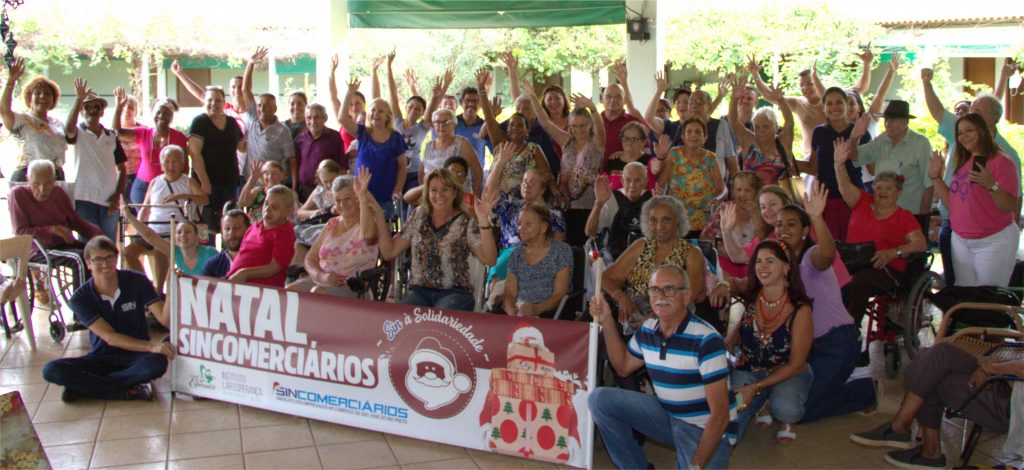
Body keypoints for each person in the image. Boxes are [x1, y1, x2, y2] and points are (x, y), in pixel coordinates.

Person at [589, 265, 735, 470]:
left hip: (704, 428)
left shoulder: (706, 339)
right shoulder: (647, 330)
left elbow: (720, 416)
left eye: (670, 289)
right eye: (654, 289)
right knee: (600, 399)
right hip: (667, 415)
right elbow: (622, 367)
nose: (660, 296)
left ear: (687, 296)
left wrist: (696, 465)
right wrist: (607, 319)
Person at [773, 185, 876, 423]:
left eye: (791, 224)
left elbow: (828, 254)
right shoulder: (782, 264)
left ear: (805, 231)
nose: (783, 229)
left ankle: (866, 390)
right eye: (779, 224)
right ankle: (835, 385)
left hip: (836, 343)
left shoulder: (810, 257)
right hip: (806, 346)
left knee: (801, 411)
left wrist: (817, 217)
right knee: (792, 403)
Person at [41, 236, 174, 402]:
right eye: (98, 260)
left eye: (109, 257)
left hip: (137, 354)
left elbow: (164, 318)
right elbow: (110, 338)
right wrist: (152, 346)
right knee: (51, 369)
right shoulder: (80, 298)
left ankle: (89, 388)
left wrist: (171, 287)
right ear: (88, 264)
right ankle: (123, 389)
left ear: (116, 259)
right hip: (101, 357)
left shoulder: (137, 281)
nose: (105, 264)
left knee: (157, 364)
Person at [850, 341, 1022, 469]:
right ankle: (918, 443)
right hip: (1008, 386)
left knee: (930, 369)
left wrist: (993, 368)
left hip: (1010, 407)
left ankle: (907, 434)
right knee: (933, 357)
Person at [922, 67, 1022, 286]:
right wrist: (936, 177)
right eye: (960, 133)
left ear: (990, 123)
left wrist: (992, 186)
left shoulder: (1005, 158)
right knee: (963, 295)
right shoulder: (961, 156)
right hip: (959, 235)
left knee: (987, 299)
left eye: (970, 129)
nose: (964, 135)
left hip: (993, 239)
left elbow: (1012, 203)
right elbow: (954, 203)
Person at [371, 168, 497, 311]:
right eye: (434, 190)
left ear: (455, 193)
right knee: (400, 318)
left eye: (445, 189)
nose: (439, 195)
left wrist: (483, 220)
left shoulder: (465, 221)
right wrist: (379, 217)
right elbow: (390, 252)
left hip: (455, 293)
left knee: (438, 319)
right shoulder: (419, 215)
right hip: (420, 292)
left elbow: (490, 260)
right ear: (427, 193)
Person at [727, 240, 813, 444]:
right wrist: (728, 341)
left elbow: (796, 364)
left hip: (786, 372)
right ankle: (762, 402)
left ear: (786, 268)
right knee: (734, 409)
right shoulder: (753, 295)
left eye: (770, 261)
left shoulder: (801, 310)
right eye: (758, 261)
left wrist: (755, 386)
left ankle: (779, 412)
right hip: (748, 367)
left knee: (787, 410)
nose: (762, 267)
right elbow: (740, 330)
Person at [835, 138, 928, 325]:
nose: (882, 191)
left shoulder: (904, 216)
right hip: (852, 262)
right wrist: (838, 164)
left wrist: (894, 252)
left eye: (889, 188)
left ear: (898, 192)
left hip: (886, 269)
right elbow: (844, 187)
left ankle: (849, 331)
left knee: (859, 282)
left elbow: (920, 244)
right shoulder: (862, 202)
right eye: (878, 187)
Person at [602, 196, 708, 338]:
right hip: (632, 313)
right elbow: (606, 278)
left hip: (671, 317)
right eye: (653, 220)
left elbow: (691, 296)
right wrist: (621, 297)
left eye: (666, 219)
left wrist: (653, 318)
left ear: (677, 221)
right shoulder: (641, 245)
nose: (659, 226)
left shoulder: (691, 253)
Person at [751, 45, 873, 156]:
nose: (806, 88)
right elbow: (770, 96)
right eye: (802, 85)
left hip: (835, 153)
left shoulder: (832, 98)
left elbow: (860, 88)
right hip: (810, 155)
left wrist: (867, 64)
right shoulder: (798, 103)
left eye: (809, 83)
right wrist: (756, 75)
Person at [524, 83, 605, 246]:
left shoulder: (597, 144)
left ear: (589, 125)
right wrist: (533, 98)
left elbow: (600, 127)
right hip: (564, 206)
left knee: (586, 251)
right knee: (563, 248)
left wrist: (592, 108)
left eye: (582, 125)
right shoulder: (566, 141)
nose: (578, 130)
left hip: (588, 208)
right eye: (574, 126)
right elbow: (545, 123)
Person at [122, 145, 207, 294]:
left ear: (182, 164)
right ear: (161, 165)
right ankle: (147, 287)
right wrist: (138, 229)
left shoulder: (188, 182)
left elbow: (204, 200)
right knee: (129, 252)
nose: (170, 166)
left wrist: (181, 197)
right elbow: (145, 207)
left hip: (175, 233)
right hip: (153, 230)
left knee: (159, 250)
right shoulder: (155, 182)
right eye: (167, 162)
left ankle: (159, 292)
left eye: (175, 162)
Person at [848, 100, 934, 231]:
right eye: (886, 120)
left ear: (905, 123)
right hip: (882, 214)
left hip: (911, 215)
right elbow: (854, 156)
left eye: (893, 121)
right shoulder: (882, 140)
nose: (888, 124)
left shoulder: (920, 143)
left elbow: (929, 184)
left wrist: (922, 218)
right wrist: (855, 137)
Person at [288, 174, 378, 297]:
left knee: (318, 293)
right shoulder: (332, 224)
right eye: (338, 200)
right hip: (322, 280)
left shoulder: (368, 222)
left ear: (357, 197)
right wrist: (321, 276)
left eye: (347, 199)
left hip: (353, 285)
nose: (342, 204)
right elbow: (310, 258)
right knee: (290, 290)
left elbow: (369, 237)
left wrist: (363, 197)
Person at [801, 86, 872, 241]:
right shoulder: (818, 132)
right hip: (825, 199)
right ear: (824, 108)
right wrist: (787, 159)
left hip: (853, 197)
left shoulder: (860, 132)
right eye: (830, 103)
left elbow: (872, 169)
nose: (835, 107)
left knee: (853, 244)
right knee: (829, 246)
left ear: (847, 105)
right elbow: (814, 168)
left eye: (839, 102)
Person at [63, 79, 127, 240]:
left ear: (102, 112)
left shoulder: (111, 137)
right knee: (88, 245)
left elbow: (122, 169)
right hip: (84, 198)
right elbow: (68, 129)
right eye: (87, 107)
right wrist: (79, 99)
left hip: (108, 201)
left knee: (108, 243)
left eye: (96, 107)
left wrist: (117, 195)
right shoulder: (78, 133)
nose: (92, 110)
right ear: (82, 111)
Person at [339, 78, 408, 221]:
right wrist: (350, 92)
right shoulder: (363, 133)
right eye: (373, 110)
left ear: (388, 116)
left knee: (383, 233)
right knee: (362, 233)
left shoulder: (395, 137)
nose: (376, 113)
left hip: (386, 196)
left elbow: (402, 166)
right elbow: (342, 118)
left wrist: (398, 189)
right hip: (361, 195)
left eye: (381, 111)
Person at [112, 88, 193, 206]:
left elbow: (185, 167)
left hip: (167, 186)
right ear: (152, 114)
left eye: (167, 113)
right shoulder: (143, 133)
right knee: (143, 221)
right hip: (142, 187)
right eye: (158, 112)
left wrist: (179, 188)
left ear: (172, 117)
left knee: (160, 220)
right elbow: (117, 132)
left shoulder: (179, 137)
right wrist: (119, 107)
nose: (162, 116)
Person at [383, 52, 444, 195]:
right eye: (411, 107)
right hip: (394, 172)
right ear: (406, 107)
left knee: (411, 205)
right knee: (395, 208)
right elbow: (392, 94)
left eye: (418, 109)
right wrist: (389, 67)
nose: (413, 110)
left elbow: (432, 109)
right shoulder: (396, 121)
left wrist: (435, 96)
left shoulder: (421, 128)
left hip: (413, 173)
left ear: (422, 113)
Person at [0, 58, 68, 182]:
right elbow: (4, 111)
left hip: (55, 177)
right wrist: (11, 81)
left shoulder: (58, 124)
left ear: (53, 99)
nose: (42, 96)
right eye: (37, 93)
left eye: (47, 94)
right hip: (27, 177)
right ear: (29, 98)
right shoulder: (21, 120)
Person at [656, 118, 725, 238]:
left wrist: (717, 199)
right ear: (683, 136)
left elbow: (722, 189)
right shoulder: (674, 155)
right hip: (677, 220)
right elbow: (660, 184)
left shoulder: (710, 158)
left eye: (698, 132)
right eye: (689, 131)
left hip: (704, 221)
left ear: (705, 137)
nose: (693, 135)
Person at [239, 48, 297, 189]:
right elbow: (245, 90)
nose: (262, 108)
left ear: (275, 109)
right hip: (250, 182)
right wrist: (251, 64)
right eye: (260, 105)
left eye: (267, 105)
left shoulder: (283, 131)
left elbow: (292, 160)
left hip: (272, 184)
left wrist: (294, 187)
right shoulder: (253, 119)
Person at [188, 84, 243, 233]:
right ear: (204, 102)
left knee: (229, 225)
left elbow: (241, 146)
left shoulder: (231, 122)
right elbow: (194, 153)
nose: (214, 104)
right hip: (207, 184)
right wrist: (205, 182)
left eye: (218, 100)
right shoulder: (199, 122)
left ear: (224, 103)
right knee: (206, 229)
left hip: (230, 182)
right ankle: (208, 256)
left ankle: (227, 256)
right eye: (210, 100)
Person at [9, 160, 101, 248]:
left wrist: (96, 233)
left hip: (64, 244)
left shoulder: (58, 192)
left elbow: (75, 221)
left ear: (54, 180)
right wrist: (52, 230)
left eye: (48, 183)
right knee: (82, 259)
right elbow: (20, 232)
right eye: (36, 184)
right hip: (39, 249)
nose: (42, 190)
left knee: (100, 254)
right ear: (28, 180)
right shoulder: (18, 194)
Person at [502, 205, 573, 318]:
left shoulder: (561, 251)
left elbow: (559, 295)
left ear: (543, 227)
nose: (521, 228)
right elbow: (510, 293)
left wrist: (535, 309)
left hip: (550, 313)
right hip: (520, 311)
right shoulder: (517, 253)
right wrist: (513, 315)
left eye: (528, 224)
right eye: (520, 224)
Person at [728, 77, 796, 186]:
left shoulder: (783, 142)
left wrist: (781, 100)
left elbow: (789, 122)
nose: (761, 131)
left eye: (766, 126)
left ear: (775, 126)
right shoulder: (749, 141)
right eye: (757, 127)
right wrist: (734, 98)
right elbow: (734, 122)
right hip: (752, 201)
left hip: (781, 200)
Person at [226, 185, 297, 287]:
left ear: (288, 211)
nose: (267, 210)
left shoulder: (285, 232)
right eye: (266, 204)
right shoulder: (253, 227)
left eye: (275, 207)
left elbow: (276, 267)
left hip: (261, 290)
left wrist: (245, 273)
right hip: (235, 282)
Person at [122, 209, 217, 278]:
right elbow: (150, 237)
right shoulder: (176, 251)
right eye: (179, 232)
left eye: (188, 232)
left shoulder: (210, 253)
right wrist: (129, 216)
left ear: (197, 237)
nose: (183, 235)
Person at [705, 171, 766, 278]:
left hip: (754, 267)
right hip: (724, 266)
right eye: (738, 190)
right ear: (733, 191)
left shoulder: (763, 211)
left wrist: (755, 215)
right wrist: (718, 247)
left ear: (757, 192)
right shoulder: (724, 209)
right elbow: (706, 238)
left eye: (747, 190)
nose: (742, 194)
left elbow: (764, 241)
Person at [585, 165, 652, 260]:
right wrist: (598, 203)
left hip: (644, 257)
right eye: (628, 180)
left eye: (637, 180)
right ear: (622, 181)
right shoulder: (611, 199)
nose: (632, 185)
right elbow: (589, 232)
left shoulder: (653, 201)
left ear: (646, 182)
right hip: (614, 256)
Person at [420, 108, 482, 196]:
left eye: (446, 122)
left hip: (458, 197)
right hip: (434, 196)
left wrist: (474, 198)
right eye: (437, 122)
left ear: (454, 124)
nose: (441, 126)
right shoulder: (429, 145)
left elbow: (478, 172)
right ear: (433, 125)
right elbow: (422, 173)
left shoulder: (462, 143)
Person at [171, 59, 246, 130]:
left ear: (246, 90)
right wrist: (180, 74)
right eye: (233, 87)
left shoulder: (254, 111)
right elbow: (200, 94)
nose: (237, 90)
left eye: (240, 87)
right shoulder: (224, 107)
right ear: (229, 91)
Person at [294, 103, 345, 200]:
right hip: (303, 189)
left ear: (325, 118)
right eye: (309, 118)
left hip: (326, 190)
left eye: (317, 117)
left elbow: (342, 166)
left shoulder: (334, 137)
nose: (313, 121)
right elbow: (297, 163)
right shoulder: (300, 138)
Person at [600, 62, 643, 164]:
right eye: (608, 96)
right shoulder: (593, 121)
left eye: (618, 97)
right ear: (602, 99)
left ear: (624, 100)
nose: (613, 100)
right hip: (596, 176)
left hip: (624, 176)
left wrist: (626, 153)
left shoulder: (633, 122)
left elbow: (645, 150)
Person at [404, 156, 476, 210]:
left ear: (465, 177)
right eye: (451, 172)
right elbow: (407, 198)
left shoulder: (470, 198)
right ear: (445, 173)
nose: (455, 176)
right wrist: (428, 184)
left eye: (459, 173)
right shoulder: (435, 195)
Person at [329, 54, 366, 153]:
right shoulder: (344, 120)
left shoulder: (371, 120)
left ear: (364, 104)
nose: (354, 106)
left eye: (357, 103)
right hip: (348, 165)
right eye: (350, 104)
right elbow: (333, 96)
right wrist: (332, 72)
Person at [604, 122, 657, 190]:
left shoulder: (650, 161)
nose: (629, 142)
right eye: (626, 138)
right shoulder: (613, 160)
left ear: (643, 142)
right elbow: (604, 185)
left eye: (634, 139)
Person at [201, 210, 250, 278]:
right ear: (222, 233)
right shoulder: (212, 266)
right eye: (227, 229)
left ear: (248, 230)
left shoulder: (260, 261)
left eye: (237, 227)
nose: (231, 233)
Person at [116, 92, 141, 201]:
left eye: (130, 107)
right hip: (118, 177)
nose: (126, 110)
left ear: (136, 110)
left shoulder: (144, 131)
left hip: (140, 177)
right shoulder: (111, 131)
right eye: (123, 106)